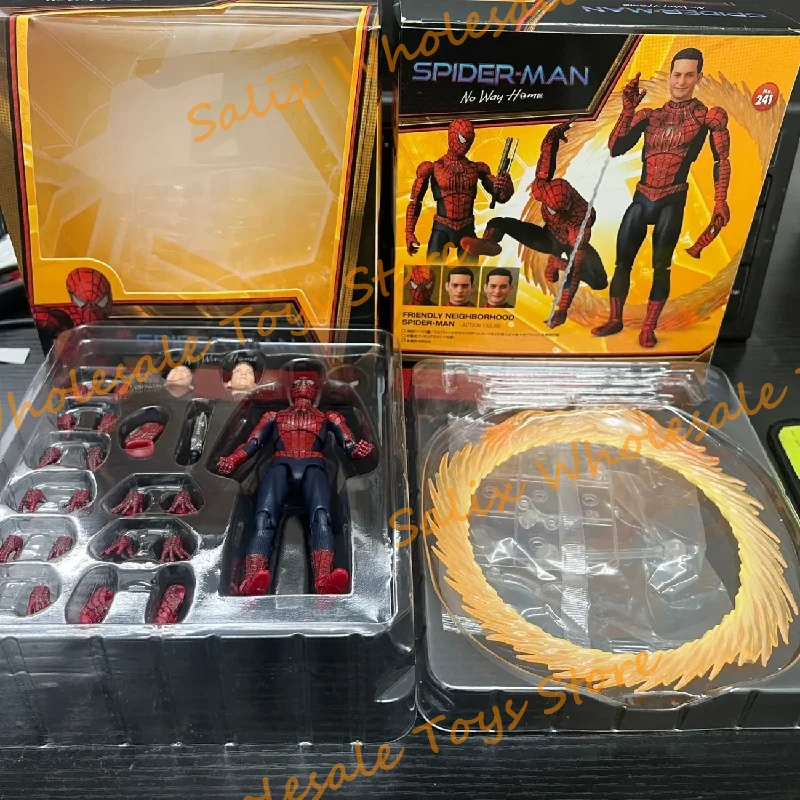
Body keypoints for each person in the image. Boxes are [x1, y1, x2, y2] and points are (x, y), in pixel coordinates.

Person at [592, 48, 731, 348]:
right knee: (622, 263)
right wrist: (627, 109)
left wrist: (720, 200)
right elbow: (616, 148)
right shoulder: (650, 115)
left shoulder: (707, 117)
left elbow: (722, 160)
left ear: (699, 77)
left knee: (661, 266)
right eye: (677, 75)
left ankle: (648, 327)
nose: (681, 82)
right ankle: (615, 319)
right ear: (669, 76)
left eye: (689, 76)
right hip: (642, 197)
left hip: (672, 199)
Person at [461, 121, 608, 327]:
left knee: (599, 281)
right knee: (498, 222)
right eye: (551, 209)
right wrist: (554, 133)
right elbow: (546, 157)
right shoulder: (542, 189)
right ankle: (489, 243)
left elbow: (574, 273)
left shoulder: (581, 221)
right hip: (547, 237)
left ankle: (557, 263)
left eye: (560, 211)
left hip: (570, 244)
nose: (555, 214)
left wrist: (561, 309)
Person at [405, 118, 514, 263]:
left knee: (471, 274)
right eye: (462, 139)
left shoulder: (477, 168)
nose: (465, 145)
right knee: (433, 271)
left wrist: (506, 186)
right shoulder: (433, 168)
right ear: (452, 136)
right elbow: (415, 201)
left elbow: (500, 197)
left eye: (469, 140)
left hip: (466, 228)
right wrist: (409, 232)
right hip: (442, 227)